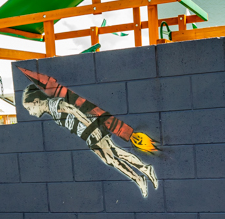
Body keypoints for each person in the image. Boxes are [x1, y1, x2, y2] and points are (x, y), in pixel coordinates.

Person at [22, 84, 158, 198]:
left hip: (91, 129)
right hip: (86, 134)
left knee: (113, 156)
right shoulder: (51, 110)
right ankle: (143, 173)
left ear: (36, 102)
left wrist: (92, 128)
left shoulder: (54, 104)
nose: (30, 112)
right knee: (113, 156)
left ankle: (141, 175)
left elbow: (74, 110)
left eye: (29, 108)